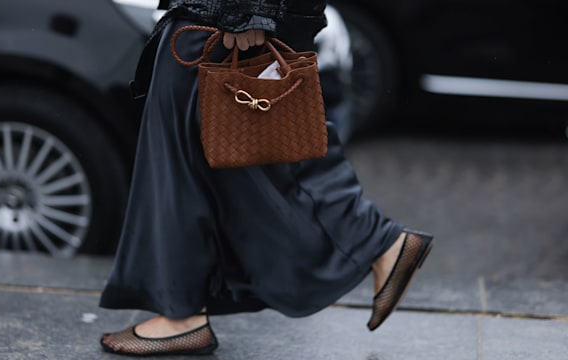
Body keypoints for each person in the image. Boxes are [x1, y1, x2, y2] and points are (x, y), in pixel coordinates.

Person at [99, 0, 434, 356]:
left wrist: (251, 10)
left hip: (225, 14)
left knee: (258, 152)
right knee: (204, 159)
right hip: (223, 13)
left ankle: (378, 242)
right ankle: (182, 313)